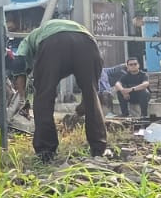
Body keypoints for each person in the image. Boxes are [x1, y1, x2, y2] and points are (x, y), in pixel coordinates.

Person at [17, 17, 108, 162]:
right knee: (91, 94)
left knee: (44, 96)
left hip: (54, 44)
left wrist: (22, 99)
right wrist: (85, 101)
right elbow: (93, 81)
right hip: (88, 43)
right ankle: (98, 149)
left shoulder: (27, 42)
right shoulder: (68, 27)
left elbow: (20, 69)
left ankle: (46, 152)